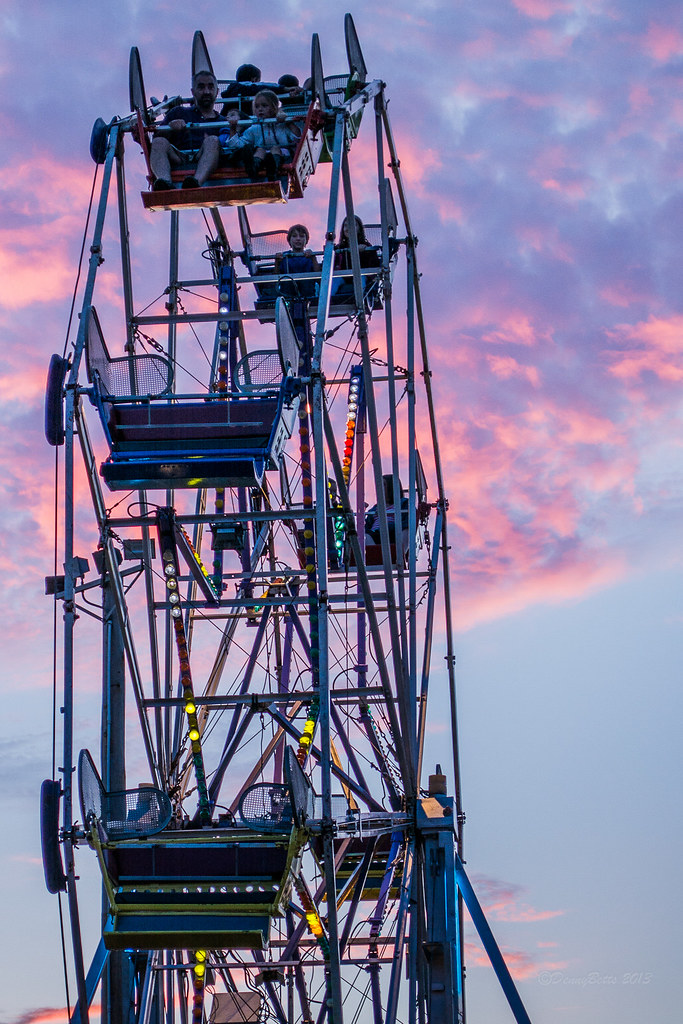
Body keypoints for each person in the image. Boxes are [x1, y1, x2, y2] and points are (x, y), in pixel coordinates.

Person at [150, 71, 222, 190]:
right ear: (193, 92)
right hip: (178, 156)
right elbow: (157, 138)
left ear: (217, 91)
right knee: (159, 142)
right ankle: (165, 183)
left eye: (210, 87)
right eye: (201, 87)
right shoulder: (178, 112)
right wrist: (171, 128)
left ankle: (195, 183)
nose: (206, 91)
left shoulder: (222, 121)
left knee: (212, 141)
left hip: (204, 156)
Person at [236, 89, 302, 181]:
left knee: (275, 148)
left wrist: (288, 122)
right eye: (257, 106)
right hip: (263, 156)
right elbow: (239, 144)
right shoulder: (254, 128)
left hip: (282, 155)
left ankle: (273, 170)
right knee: (260, 150)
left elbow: (298, 137)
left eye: (264, 106)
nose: (260, 109)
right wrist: (233, 129)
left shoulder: (282, 125)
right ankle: (253, 168)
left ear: (274, 107)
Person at [332, 215, 381, 300]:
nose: (348, 228)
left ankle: (359, 302)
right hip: (343, 276)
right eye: (346, 225)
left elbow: (374, 264)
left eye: (353, 225)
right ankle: (328, 303)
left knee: (359, 277)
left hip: (360, 275)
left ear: (359, 229)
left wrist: (366, 250)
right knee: (334, 280)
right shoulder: (339, 248)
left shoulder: (366, 246)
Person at [274, 224, 319, 299]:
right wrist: (277, 262)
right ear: (289, 240)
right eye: (294, 236)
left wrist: (313, 258)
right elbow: (276, 276)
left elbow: (318, 276)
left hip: (308, 296)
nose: (298, 239)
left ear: (306, 240)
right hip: (287, 296)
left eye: (301, 236)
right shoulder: (284, 256)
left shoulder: (310, 257)